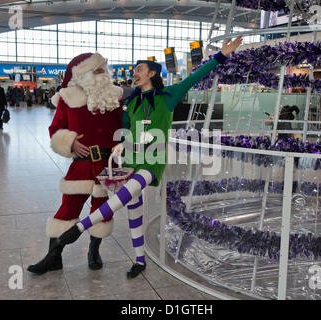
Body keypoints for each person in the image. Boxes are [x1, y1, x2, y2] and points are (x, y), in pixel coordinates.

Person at [52, 36, 243, 279]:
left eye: (139, 69)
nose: (135, 73)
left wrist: (221, 56)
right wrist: (121, 145)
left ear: (152, 73)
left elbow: (196, 77)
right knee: (134, 210)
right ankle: (140, 260)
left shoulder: (169, 96)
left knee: (123, 195)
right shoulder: (131, 103)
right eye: (134, 70)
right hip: (132, 160)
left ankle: (79, 229)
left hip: (152, 162)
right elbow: (125, 131)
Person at [27, 52, 124, 275]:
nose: (102, 71)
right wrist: (69, 143)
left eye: (103, 67)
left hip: (109, 164)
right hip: (81, 164)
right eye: (96, 68)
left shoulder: (116, 96)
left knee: (102, 209)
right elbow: (55, 129)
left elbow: (125, 126)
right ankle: (54, 256)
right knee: (68, 207)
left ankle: (93, 251)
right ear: (83, 74)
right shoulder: (68, 97)